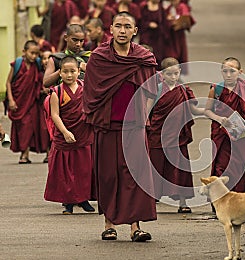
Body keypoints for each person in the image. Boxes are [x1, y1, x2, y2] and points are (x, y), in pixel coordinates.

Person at [83, 11, 157, 242]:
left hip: (134, 126)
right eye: (118, 26)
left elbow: (151, 91)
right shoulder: (100, 58)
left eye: (127, 26)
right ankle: (109, 224)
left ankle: (136, 227)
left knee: (135, 175)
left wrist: (145, 117)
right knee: (108, 175)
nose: (122, 31)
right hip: (107, 126)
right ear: (111, 30)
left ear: (135, 31)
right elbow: (90, 92)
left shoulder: (143, 58)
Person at [147, 57, 203, 213]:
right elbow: (147, 111)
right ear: (162, 74)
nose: (173, 77)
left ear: (179, 72)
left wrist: (212, 114)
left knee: (180, 168)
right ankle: (150, 202)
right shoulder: (156, 89)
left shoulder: (184, 89)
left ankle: (183, 202)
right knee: (155, 167)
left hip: (179, 135)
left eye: (176, 73)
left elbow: (194, 110)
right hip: (157, 134)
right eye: (169, 74)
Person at [44, 56, 95, 214]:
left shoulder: (85, 87)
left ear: (79, 71)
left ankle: (83, 198)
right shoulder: (56, 92)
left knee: (84, 169)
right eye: (65, 72)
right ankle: (68, 202)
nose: (69, 75)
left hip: (83, 133)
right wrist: (65, 132)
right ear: (60, 73)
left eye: (73, 71)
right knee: (65, 171)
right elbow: (55, 115)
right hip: (64, 135)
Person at [204, 57, 245, 196]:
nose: (228, 75)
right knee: (221, 166)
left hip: (240, 133)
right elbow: (207, 110)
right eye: (225, 71)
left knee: (240, 165)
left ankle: (239, 200)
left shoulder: (244, 88)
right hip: (221, 133)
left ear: (240, 72)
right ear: (221, 72)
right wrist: (219, 119)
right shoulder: (216, 89)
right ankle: (220, 198)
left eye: (232, 71)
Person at [5, 40, 48, 164]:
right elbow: (8, 82)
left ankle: (28, 154)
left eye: (36, 54)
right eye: (31, 53)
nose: (34, 56)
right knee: (23, 127)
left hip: (33, 102)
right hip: (19, 101)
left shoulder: (37, 64)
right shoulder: (17, 64)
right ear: (24, 52)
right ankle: (24, 155)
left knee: (32, 127)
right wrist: (11, 100)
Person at [165, 0, 195, 75]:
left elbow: (186, 17)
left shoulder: (182, 6)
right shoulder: (169, 7)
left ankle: (178, 71)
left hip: (178, 35)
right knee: (171, 52)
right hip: (171, 34)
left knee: (179, 52)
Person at [139, 0, 169, 69]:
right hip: (146, 37)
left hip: (158, 38)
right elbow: (139, 21)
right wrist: (148, 24)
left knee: (158, 57)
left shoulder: (161, 8)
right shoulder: (144, 7)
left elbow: (164, 23)